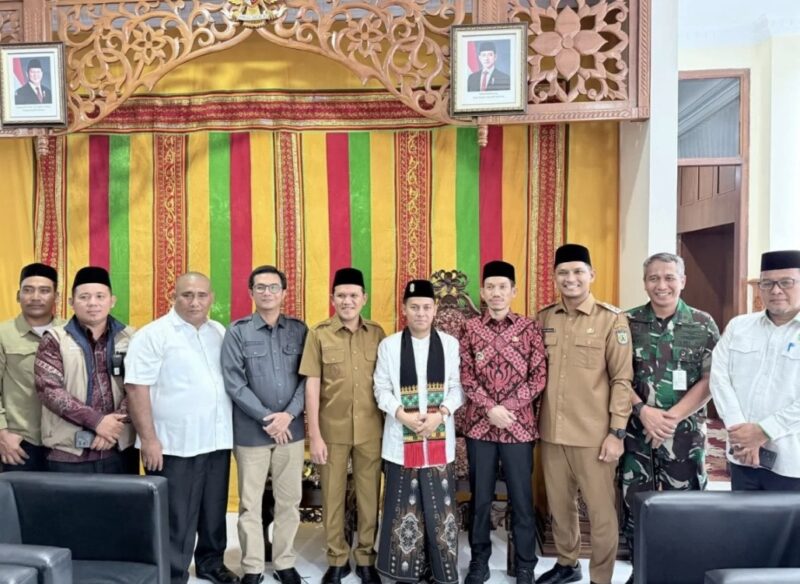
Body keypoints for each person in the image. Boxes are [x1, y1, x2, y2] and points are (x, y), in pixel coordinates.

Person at [125, 272, 239, 584]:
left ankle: (211, 563)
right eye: (187, 295)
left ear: (212, 298)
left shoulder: (218, 331)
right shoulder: (153, 335)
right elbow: (136, 389)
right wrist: (148, 440)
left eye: (202, 295)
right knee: (175, 515)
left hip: (216, 439)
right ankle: (172, 572)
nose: (195, 301)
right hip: (173, 443)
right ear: (172, 296)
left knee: (213, 510)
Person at [536, 244, 633, 584]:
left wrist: (616, 432)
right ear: (554, 277)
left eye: (578, 271)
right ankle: (567, 563)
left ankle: (601, 577)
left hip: (594, 436)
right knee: (560, 509)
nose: (571, 278)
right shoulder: (545, 317)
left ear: (591, 275)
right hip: (551, 432)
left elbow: (622, 379)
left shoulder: (612, 319)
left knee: (601, 512)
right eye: (563, 272)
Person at [621, 253, 719, 584]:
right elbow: (616, 376)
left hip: (685, 436)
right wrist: (643, 412)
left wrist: (671, 418)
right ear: (644, 282)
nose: (661, 285)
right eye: (653, 278)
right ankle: (641, 573)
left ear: (682, 280)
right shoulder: (627, 322)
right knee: (637, 506)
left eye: (668, 277)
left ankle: (684, 574)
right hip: (637, 434)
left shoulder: (703, 323)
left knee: (687, 507)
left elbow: (710, 380)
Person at [460, 260, 547, 584]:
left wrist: (506, 407)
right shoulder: (469, 329)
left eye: (502, 287)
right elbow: (465, 376)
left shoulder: (529, 328)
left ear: (513, 290)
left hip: (518, 427)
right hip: (480, 429)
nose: (496, 293)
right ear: (482, 292)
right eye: (490, 287)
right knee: (480, 499)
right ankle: (479, 561)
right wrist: (488, 407)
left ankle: (525, 564)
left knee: (522, 500)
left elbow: (539, 376)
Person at [373, 279, 464, 584]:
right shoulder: (389, 345)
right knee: (402, 505)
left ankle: (441, 571)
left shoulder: (450, 345)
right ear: (404, 309)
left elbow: (457, 388)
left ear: (435, 309)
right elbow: (381, 389)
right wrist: (402, 415)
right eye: (414, 307)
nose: (421, 313)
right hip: (401, 439)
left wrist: (442, 414)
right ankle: (400, 570)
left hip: (439, 439)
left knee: (440, 509)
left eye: (426, 307)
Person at [222, 265, 308, 584]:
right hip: (251, 432)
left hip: (292, 430)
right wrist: (267, 418)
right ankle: (254, 566)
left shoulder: (300, 330)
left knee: (289, 501)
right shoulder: (237, 331)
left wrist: (288, 415)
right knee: (250, 503)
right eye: (261, 287)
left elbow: (308, 379)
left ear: (284, 293)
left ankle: (284, 562)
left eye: (274, 287)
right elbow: (234, 383)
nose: (267, 293)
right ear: (251, 293)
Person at [299, 267, 385, 584]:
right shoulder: (319, 333)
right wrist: (315, 435)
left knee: (368, 496)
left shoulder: (377, 333)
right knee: (332, 497)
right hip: (331, 430)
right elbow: (311, 385)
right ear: (332, 298)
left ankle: (365, 558)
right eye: (341, 295)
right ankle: (336, 559)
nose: (347, 301)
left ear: (364, 298)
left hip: (371, 430)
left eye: (353, 295)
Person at [710, 249, 800, 491]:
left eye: (786, 282)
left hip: (793, 463)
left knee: (790, 529)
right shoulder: (740, 326)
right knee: (743, 527)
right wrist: (742, 435)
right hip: (742, 459)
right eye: (767, 283)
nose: (776, 290)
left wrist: (763, 431)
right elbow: (719, 379)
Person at [33, 266, 136, 473]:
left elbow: (138, 386)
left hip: (119, 449)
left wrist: (112, 428)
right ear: (71, 302)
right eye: (84, 297)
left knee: (120, 506)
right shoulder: (54, 339)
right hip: (67, 453)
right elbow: (49, 390)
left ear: (112, 300)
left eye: (100, 296)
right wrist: (97, 422)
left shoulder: (132, 337)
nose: (93, 303)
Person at [0, 263, 64, 471]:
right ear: (18, 295)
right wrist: (2, 434)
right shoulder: (3, 334)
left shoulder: (70, 333)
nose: (35, 297)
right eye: (28, 290)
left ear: (56, 297)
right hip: (18, 442)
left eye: (44, 290)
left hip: (64, 443)